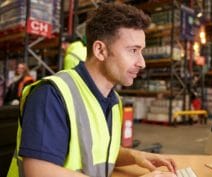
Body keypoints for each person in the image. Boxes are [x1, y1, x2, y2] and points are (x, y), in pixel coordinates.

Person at [7, 2, 177, 177]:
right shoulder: (52, 95)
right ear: (100, 50)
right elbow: (39, 172)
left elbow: (97, 153)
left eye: (141, 51)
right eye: (133, 50)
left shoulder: (113, 100)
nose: (142, 63)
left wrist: (135, 156)